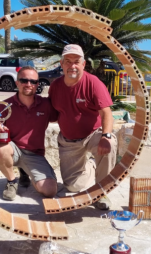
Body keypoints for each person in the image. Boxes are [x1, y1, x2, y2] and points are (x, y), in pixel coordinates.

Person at [48, 44, 117, 210]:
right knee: (73, 187)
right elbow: (50, 113)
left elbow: (107, 113)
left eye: (76, 61)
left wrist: (106, 136)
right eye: (68, 61)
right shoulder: (55, 86)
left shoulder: (93, 83)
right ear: (61, 63)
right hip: (69, 141)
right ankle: (93, 165)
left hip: (93, 134)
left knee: (110, 144)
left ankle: (101, 192)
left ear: (83, 64)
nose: (72, 66)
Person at [0, 66, 58, 201]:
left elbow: (64, 116)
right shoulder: (3, 106)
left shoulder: (46, 104)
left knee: (49, 190)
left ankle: (26, 172)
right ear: (17, 83)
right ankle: (12, 181)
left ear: (37, 84)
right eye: (24, 80)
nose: (28, 84)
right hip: (12, 149)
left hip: (34, 154)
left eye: (33, 81)